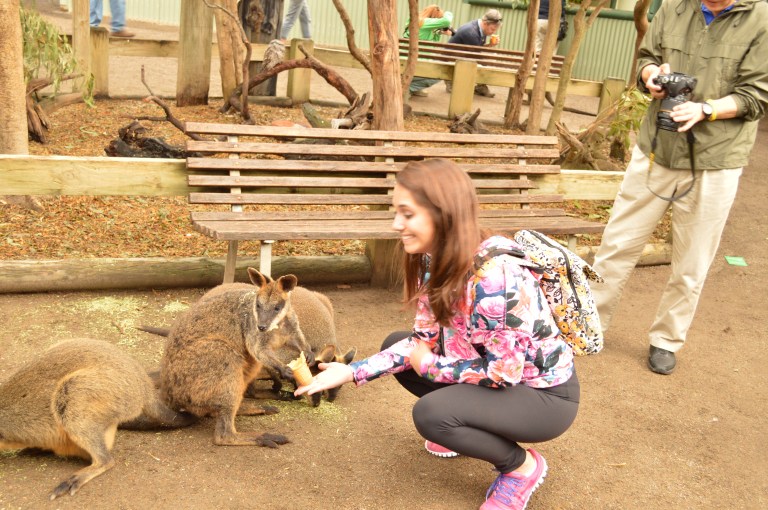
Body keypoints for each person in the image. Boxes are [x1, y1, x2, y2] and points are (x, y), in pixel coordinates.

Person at [296, 159, 580, 510]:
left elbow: (503, 374)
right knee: (395, 348)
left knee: (431, 415)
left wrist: (430, 366)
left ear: (443, 214)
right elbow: (422, 338)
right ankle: (466, 428)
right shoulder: (435, 259)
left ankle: (521, 468)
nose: (396, 223)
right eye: (395, 212)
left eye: (407, 214)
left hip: (544, 398)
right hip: (497, 376)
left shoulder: (495, 278)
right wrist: (353, 371)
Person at [591, 0, 768, 375]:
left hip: (715, 160)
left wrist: (707, 110)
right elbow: (646, 55)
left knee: (692, 260)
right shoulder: (673, 6)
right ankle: (590, 324)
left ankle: (666, 340)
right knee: (617, 243)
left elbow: (758, 94)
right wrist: (650, 74)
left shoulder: (761, 17)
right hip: (655, 149)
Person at [446, 9, 503, 98]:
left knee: (491, 58)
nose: (494, 32)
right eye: (492, 29)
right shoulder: (471, 32)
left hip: (463, 55)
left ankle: (480, 86)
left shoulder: (479, 28)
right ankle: (451, 80)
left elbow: (476, 50)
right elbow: (476, 55)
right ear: (485, 23)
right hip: (452, 60)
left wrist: (490, 45)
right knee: (489, 61)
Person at [404, 5, 454, 98]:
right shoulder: (425, 22)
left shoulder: (416, 21)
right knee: (442, 72)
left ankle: (413, 88)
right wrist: (447, 13)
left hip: (405, 60)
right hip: (415, 63)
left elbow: (431, 38)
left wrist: (440, 32)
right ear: (434, 18)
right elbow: (446, 21)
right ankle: (408, 88)